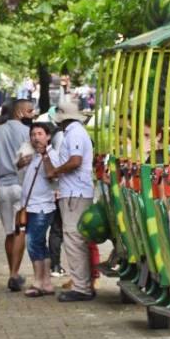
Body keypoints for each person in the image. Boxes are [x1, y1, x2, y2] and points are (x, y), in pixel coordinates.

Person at [44, 98, 96, 302]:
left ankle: (81, 287)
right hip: (76, 192)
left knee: (74, 239)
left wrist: (56, 171)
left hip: (75, 193)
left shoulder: (74, 133)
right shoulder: (75, 132)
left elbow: (75, 161)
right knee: (76, 239)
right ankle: (83, 283)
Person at [0, 99, 34, 292]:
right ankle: (14, 273)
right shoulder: (27, 133)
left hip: (1, 187)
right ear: (19, 112)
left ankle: (13, 273)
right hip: (22, 186)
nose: (32, 114)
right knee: (21, 229)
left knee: (9, 232)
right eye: (29, 111)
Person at [18, 122, 59, 296]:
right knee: (40, 243)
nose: (36, 138)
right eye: (33, 134)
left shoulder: (52, 155)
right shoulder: (34, 155)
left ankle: (38, 282)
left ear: (48, 136)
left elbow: (53, 175)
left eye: (40, 134)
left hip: (42, 206)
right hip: (32, 206)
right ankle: (46, 282)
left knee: (33, 243)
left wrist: (45, 156)